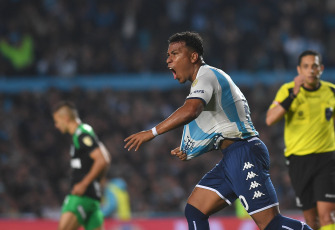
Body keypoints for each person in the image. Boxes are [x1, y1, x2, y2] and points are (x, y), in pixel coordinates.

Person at [124, 31, 312, 230]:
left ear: (193, 56)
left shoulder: (207, 76)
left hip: (244, 153)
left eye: (174, 54)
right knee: (195, 210)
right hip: (232, 156)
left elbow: (191, 110)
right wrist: (192, 149)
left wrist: (151, 132)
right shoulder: (206, 83)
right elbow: (219, 130)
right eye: (168, 55)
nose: (168, 60)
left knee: (271, 224)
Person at [266, 50, 335, 230]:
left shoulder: (331, 91)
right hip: (299, 160)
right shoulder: (288, 90)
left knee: (327, 215)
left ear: (321, 69)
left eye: (314, 66)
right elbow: (270, 119)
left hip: (326, 158)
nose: (311, 70)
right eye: (306, 66)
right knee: (312, 220)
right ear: (299, 70)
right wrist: (293, 96)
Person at [52, 101, 111, 230]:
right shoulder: (86, 131)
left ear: (66, 118)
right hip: (92, 199)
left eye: (57, 121)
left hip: (81, 198)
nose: (56, 125)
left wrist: (84, 183)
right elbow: (106, 158)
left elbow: (102, 160)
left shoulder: (81, 134)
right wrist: (98, 182)